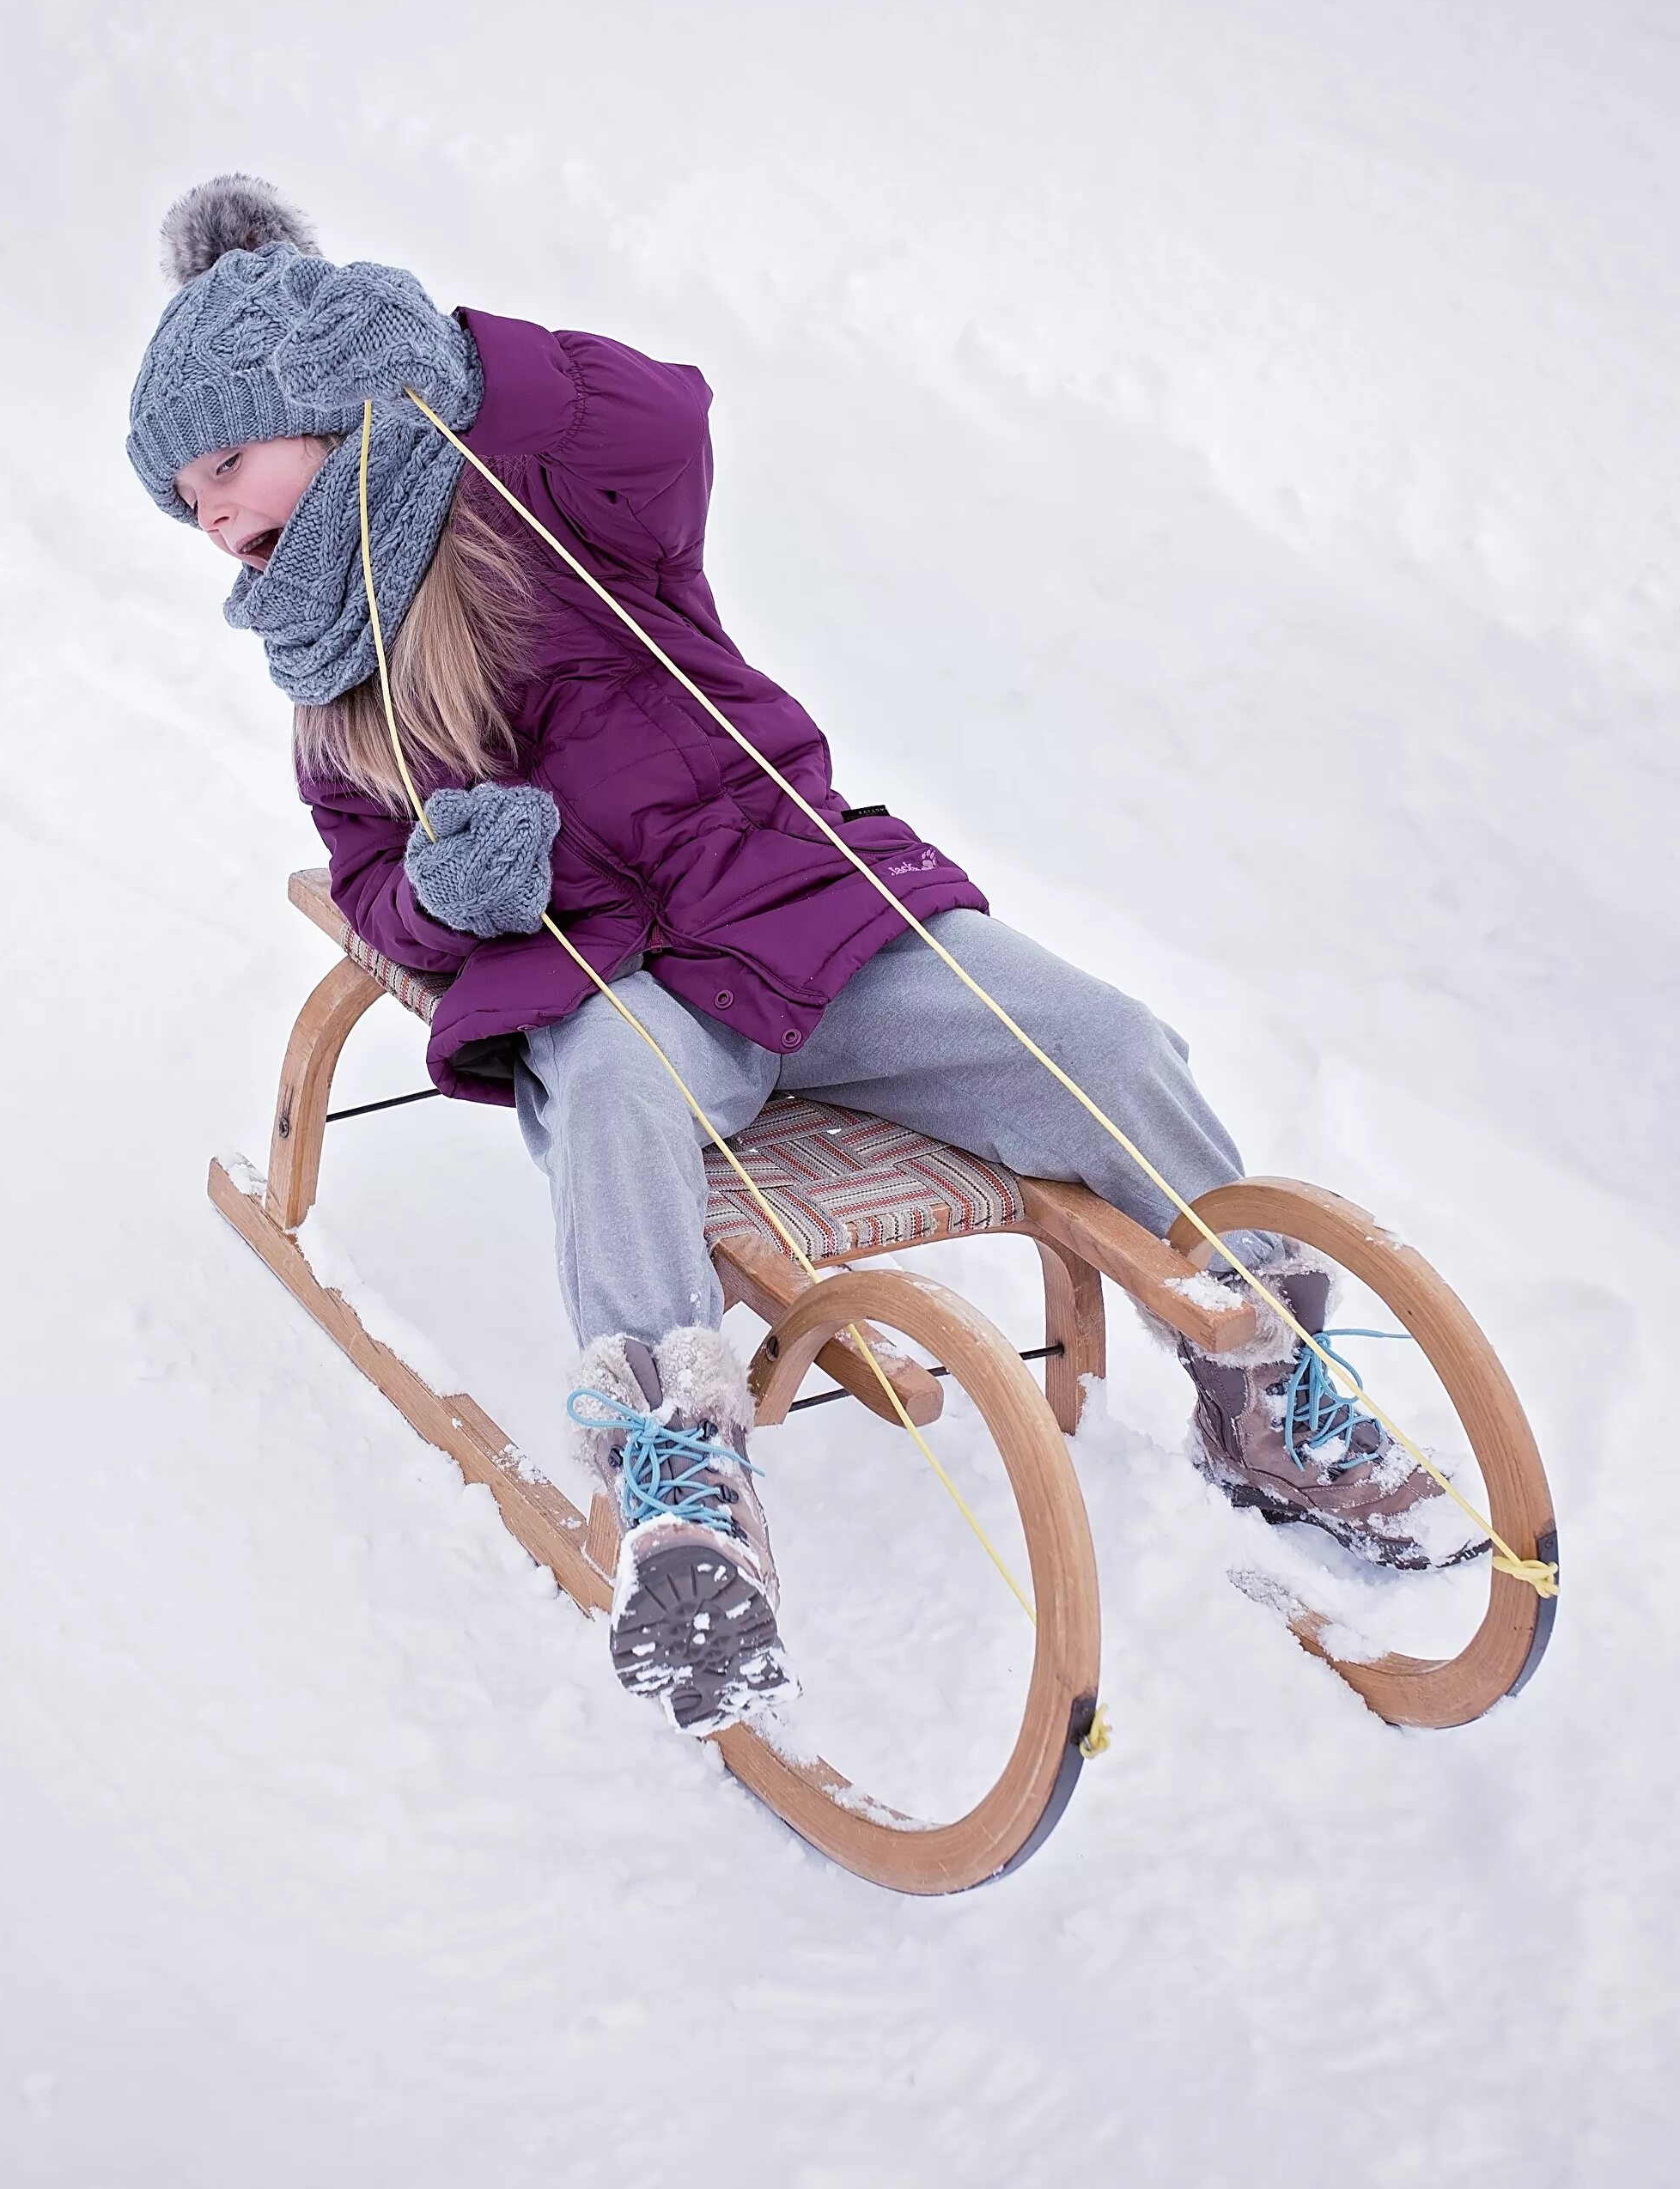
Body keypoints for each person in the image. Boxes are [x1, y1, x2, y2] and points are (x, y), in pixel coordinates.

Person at [129, 176, 1476, 1732]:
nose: (216, 517)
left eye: (228, 461)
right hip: (612, 973)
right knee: (618, 1094)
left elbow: (665, 416)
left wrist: (437, 358)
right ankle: (681, 1484)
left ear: (333, 398)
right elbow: (371, 878)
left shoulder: (561, 494)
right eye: (187, 503)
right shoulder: (328, 669)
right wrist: (443, 895)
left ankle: (1260, 1378)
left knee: (1101, 1042)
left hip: (795, 901)